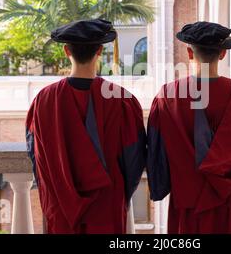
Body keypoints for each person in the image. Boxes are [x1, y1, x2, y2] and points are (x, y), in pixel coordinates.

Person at [26, 19, 146, 234]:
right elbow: (134, 158)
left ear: (66, 51)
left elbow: (37, 157)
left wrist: (52, 194)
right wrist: (120, 195)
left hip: (61, 206)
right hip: (107, 205)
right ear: (100, 50)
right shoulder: (122, 100)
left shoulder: (43, 101)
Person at [147, 22, 231, 234]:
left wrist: (160, 186)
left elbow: (157, 153)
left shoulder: (168, 95)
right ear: (222, 54)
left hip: (189, 208)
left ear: (190, 52)